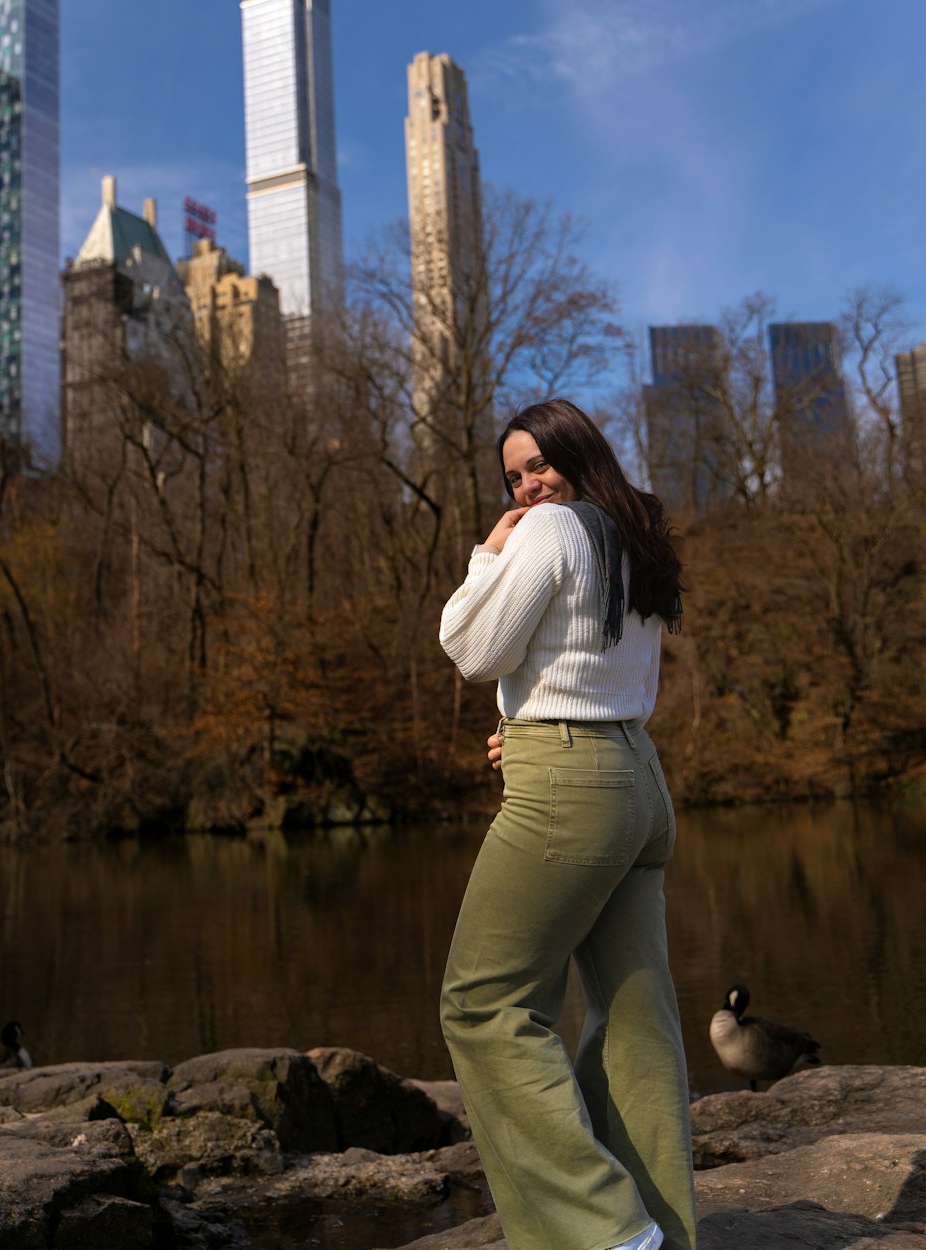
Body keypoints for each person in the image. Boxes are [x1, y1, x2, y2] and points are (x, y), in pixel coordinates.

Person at [438, 398, 696, 1250]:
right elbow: (585, 671)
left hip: (574, 783)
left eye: (538, 465)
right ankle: (659, 1228)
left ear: (578, 455)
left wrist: (489, 550)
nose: (526, 485)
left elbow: (472, 650)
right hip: (635, 779)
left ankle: (607, 1230)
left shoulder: (545, 533)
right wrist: (530, 730)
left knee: (484, 1005)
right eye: (513, 476)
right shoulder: (638, 534)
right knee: (633, 1015)